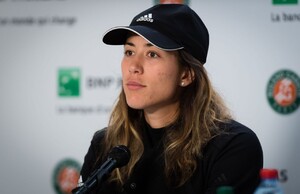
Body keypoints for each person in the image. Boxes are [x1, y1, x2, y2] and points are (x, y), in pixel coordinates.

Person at [78, 4, 263, 194]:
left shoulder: (232, 147)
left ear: (186, 74)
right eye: (129, 52)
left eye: (152, 54)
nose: (133, 67)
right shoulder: (105, 144)